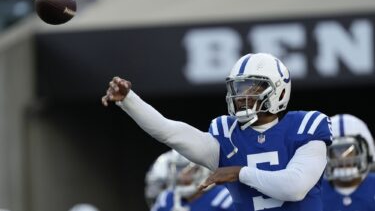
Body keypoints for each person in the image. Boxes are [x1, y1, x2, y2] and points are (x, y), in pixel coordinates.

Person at [102, 52, 332, 211]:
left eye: (251, 88)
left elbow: (294, 187)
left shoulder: (307, 127)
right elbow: (169, 132)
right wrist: (130, 101)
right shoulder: (228, 137)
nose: (241, 96)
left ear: (279, 91)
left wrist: (239, 172)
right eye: (238, 88)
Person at [322, 114, 375, 211]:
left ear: (366, 150)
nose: (343, 158)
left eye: (350, 151)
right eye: (336, 151)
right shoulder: (312, 194)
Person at [151, 162, 234, 211]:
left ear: (204, 171)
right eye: (178, 170)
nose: (182, 176)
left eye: (189, 171)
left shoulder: (223, 198)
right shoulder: (166, 198)